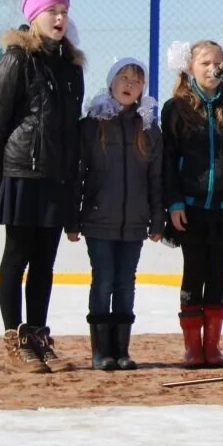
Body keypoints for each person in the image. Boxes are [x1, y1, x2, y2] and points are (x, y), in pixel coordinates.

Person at [0, 0, 84, 373]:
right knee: (18, 255)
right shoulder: (18, 58)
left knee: (45, 261)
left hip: (56, 176)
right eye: (52, 10)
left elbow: (72, 131)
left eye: (65, 11)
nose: (60, 18)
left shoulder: (71, 66)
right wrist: (0, 179)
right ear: (34, 16)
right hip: (22, 172)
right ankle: (14, 339)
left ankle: (38, 336)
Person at [161, 40, 223, 368]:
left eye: (218, 62)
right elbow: (167, 161)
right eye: (204, 62)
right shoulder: (176, 109)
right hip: (191, 207)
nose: (212, 67)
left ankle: (212, 346)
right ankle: (192, 347)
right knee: (194, 271)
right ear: (189, 67)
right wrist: (173, 202)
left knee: (217, 274)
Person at [67, 58, 163, 370]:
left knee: (126, 283)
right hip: (98, 220)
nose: (129, 85)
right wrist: (73, 218)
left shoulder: (148, 128)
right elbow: (78, 173)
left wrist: (157, 218)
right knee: (104, 280)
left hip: (134, 222)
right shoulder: (92, 125)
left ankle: (121, 350)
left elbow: (155, 179)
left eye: (136, 81)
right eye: (123, 78)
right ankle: (100, 352)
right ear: (111, 82)